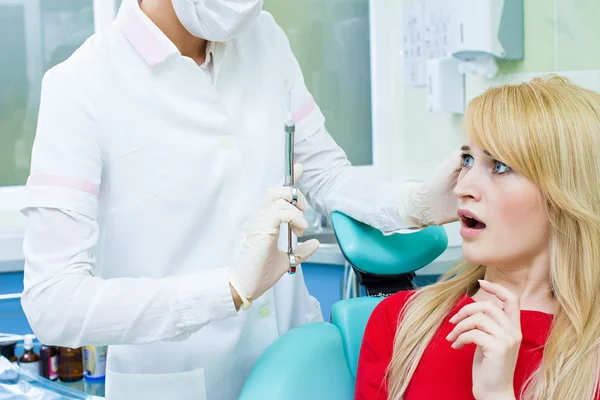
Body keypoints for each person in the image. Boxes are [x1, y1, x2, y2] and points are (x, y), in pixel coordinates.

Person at [20, 0, 460, 399]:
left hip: (300, 367)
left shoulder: (264, 38)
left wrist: (416, 203)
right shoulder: (79, 86)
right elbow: (52, 300)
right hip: (182, 384)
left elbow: (327, 174)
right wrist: (226, 289)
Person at [355, 76, 600, 400]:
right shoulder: (402, 322)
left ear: (565, 194)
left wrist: (497, 394)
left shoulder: (590, 356)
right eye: (468, 161)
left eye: (499, 166)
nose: (461, 188)